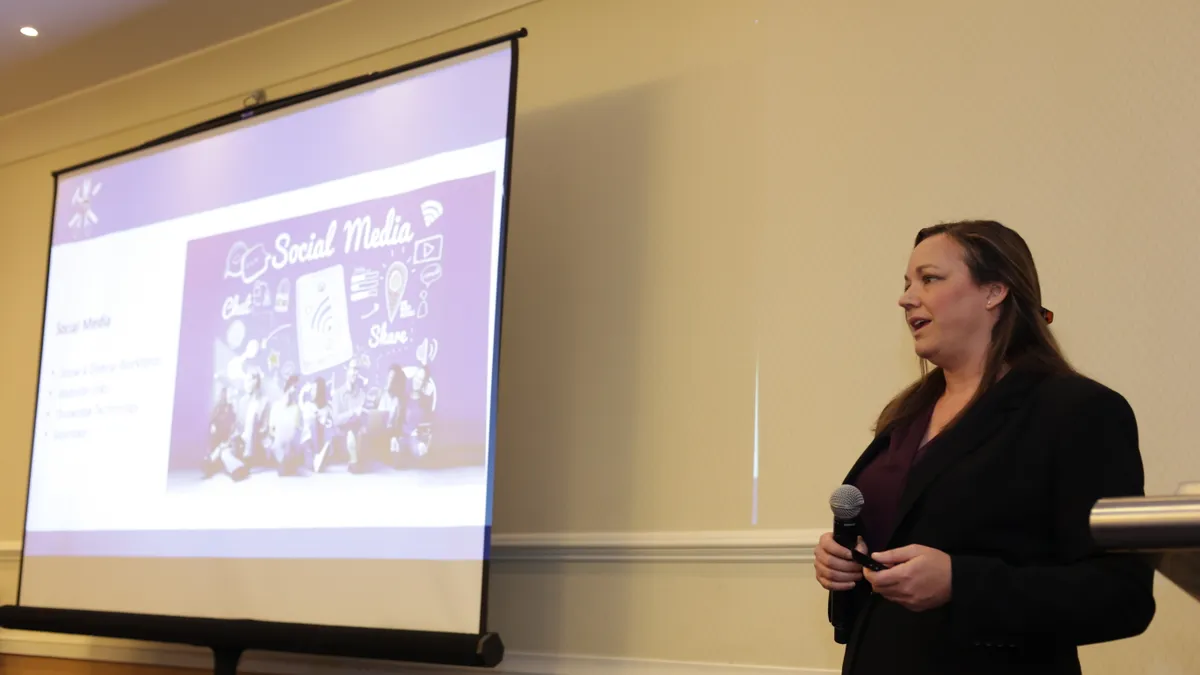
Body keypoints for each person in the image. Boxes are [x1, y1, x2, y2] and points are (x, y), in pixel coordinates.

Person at [814, 220, 1156, 674]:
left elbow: (1122, 596)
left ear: (994, 291)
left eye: (929, 279)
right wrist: (846, 563)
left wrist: (961, 581)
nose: (906, 297)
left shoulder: (1078, 411)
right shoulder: (907, 417)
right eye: (906, 283)